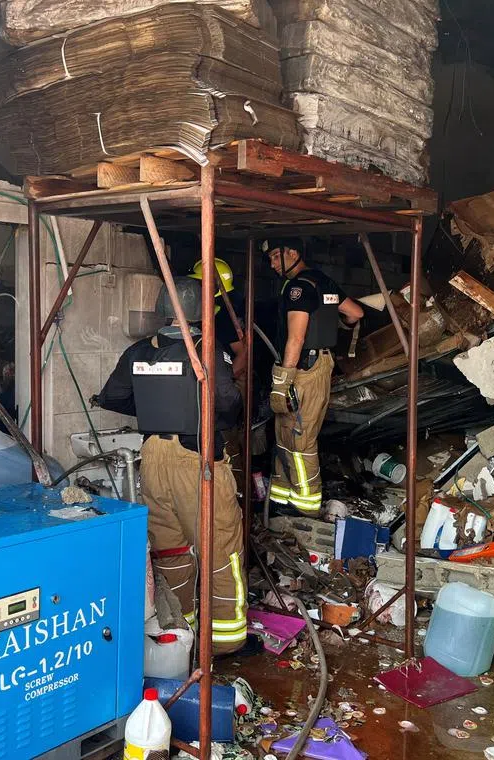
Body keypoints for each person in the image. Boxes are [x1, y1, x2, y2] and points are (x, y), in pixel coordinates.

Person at [92, 276, 247, 654]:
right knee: (220, 546)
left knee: (170, 548)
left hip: (153, 458)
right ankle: (226, 642)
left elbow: (113, 397)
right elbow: (228, 406)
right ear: (199, 311)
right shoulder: (205, 349)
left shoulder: (138, 351)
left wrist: (152, 409)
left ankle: (181, 631)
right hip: (194, 459)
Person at [264, 238, 363, 514]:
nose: (272, 264)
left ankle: (305, 507)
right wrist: (334, 325)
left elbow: (295, 338)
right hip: (319, 364)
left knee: (298, 438)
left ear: (293, 252)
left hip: (302, 369)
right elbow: (355, 313)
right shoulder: (323, 281)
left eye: (275, 256)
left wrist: (284, 378)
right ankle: (283, 498)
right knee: (287, 434)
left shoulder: (298, 287)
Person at [189, 258, 246, 384]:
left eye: (200, 283)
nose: (196, 288)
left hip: (224, 384)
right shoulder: (209, 311)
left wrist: (223, 385)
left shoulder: (223, 316)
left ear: (214, 285)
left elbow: (243, 354)